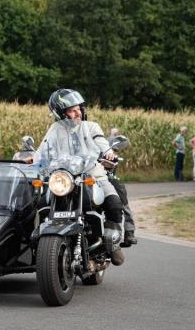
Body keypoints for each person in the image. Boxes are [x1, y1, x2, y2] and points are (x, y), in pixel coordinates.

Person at [37, 89, 125, 266]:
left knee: (114, 203)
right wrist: (34, 158)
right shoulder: (55, 129)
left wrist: (108, 152)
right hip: (64, 177)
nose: (77, 113)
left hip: (92, 173)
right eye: (71, 110)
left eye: (78, 109)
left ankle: (113, 243)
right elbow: (44, 147)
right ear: (61, 114)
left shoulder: (90, 126)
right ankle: (41, 246)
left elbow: (100, 140)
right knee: (39, 204)